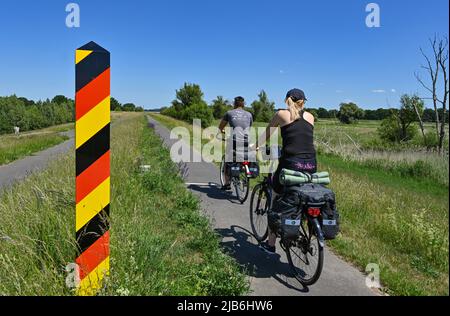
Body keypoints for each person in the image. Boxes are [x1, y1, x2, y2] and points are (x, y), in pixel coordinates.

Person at [256, 88, 317, 254]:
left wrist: (256, 145)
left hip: (290, 163)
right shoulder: (310, 117)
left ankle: (270, 245)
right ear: (303, 101)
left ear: (287, 99)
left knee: (276, 197)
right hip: (311, 165)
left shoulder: (281, 114)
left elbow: (267, 133)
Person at [218, 96, 254, 190]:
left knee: (227, 159)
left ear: (234, 104)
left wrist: (222, 132)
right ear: (243, 104)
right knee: (244, 157)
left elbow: (221, 126)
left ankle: (227, 183)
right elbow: (248, 127)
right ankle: (244, 169)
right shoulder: (249, 114)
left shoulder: (229, 113)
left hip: (234, 140)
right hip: (246, 140)